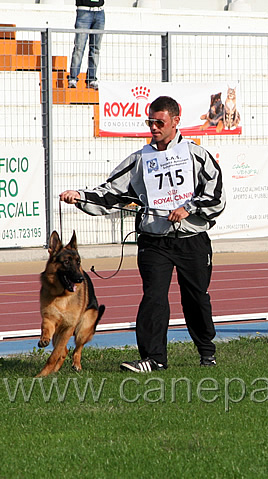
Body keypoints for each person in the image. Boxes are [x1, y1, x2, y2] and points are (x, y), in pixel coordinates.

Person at [60, 96, 226, 372]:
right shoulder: (140, 159)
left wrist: (189, 208)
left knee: (196, 297)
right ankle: (154, 358)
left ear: (175, 121)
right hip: (153, 241)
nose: (154, 127)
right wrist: (79, 197)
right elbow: (111, 192)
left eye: (159, 122)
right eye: (150, 122)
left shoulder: (197, 155)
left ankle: (207, 351)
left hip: (192, 240)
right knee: (154, 297)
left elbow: (217, 197)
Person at [68, 0, 105, 90]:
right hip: (84, 11)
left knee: (95, 48)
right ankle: (73, 78)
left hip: (99, 11)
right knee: (79, 47)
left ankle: (91, 78)